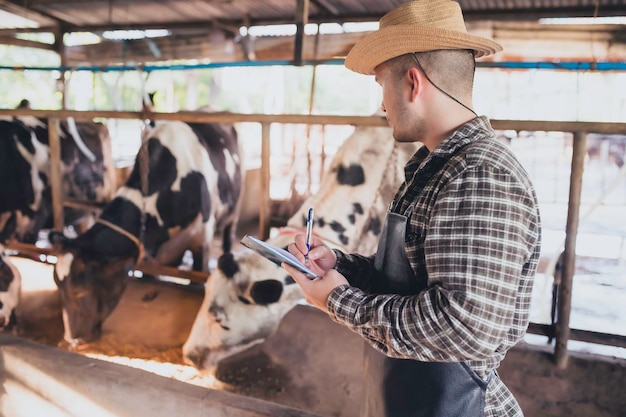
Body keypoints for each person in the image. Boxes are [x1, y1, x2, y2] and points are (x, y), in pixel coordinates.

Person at [282, 1, 541, 416]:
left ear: (413, 83)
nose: (383, 105)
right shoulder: (433, 166)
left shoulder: (478, 175)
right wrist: (342, 265)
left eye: (383, 86)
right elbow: (415, 278)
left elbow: (462, 327)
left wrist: (338, 301)